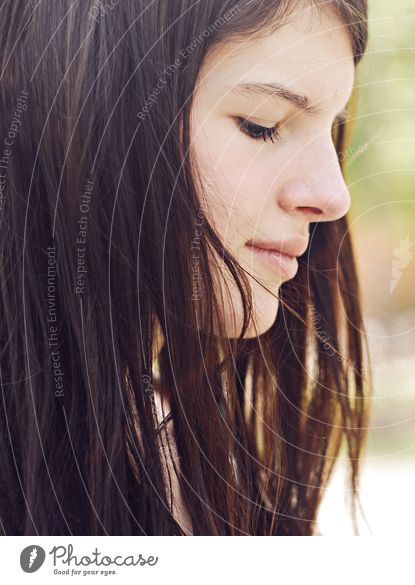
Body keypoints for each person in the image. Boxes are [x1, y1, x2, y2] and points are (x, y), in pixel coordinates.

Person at [0, 0, 371, 536]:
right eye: (261, 126)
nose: (333, 196)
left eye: (328, 133)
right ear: (76, 114)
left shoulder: (186, 452)